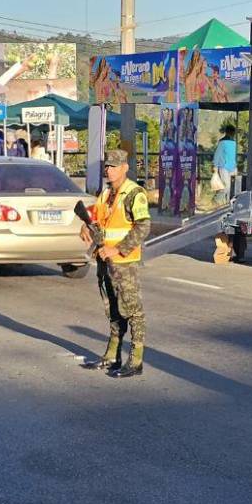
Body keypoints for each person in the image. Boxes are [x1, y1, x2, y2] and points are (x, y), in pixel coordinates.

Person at [80, 149, 151, 379]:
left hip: (124, 262)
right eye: (107, 166)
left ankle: (136, 359)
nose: (108, 170)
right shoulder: (106, 193)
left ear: (125, 167)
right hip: (104, 260)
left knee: (132, 310)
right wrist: (86, 227)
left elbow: (143, 227)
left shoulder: (134, 193)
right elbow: (99, 217)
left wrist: (118, 248)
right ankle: (112, 355)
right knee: (112, 309)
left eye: (113, 166)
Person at [212, 123, 238, 204]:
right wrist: (215, 166)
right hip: (223, 167)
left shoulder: (233, 142)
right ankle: (216, 201)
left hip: (232, 166)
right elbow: (218, 154)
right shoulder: (223, 142)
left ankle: (228, 203)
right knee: (226, 187)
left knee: (232, 187)